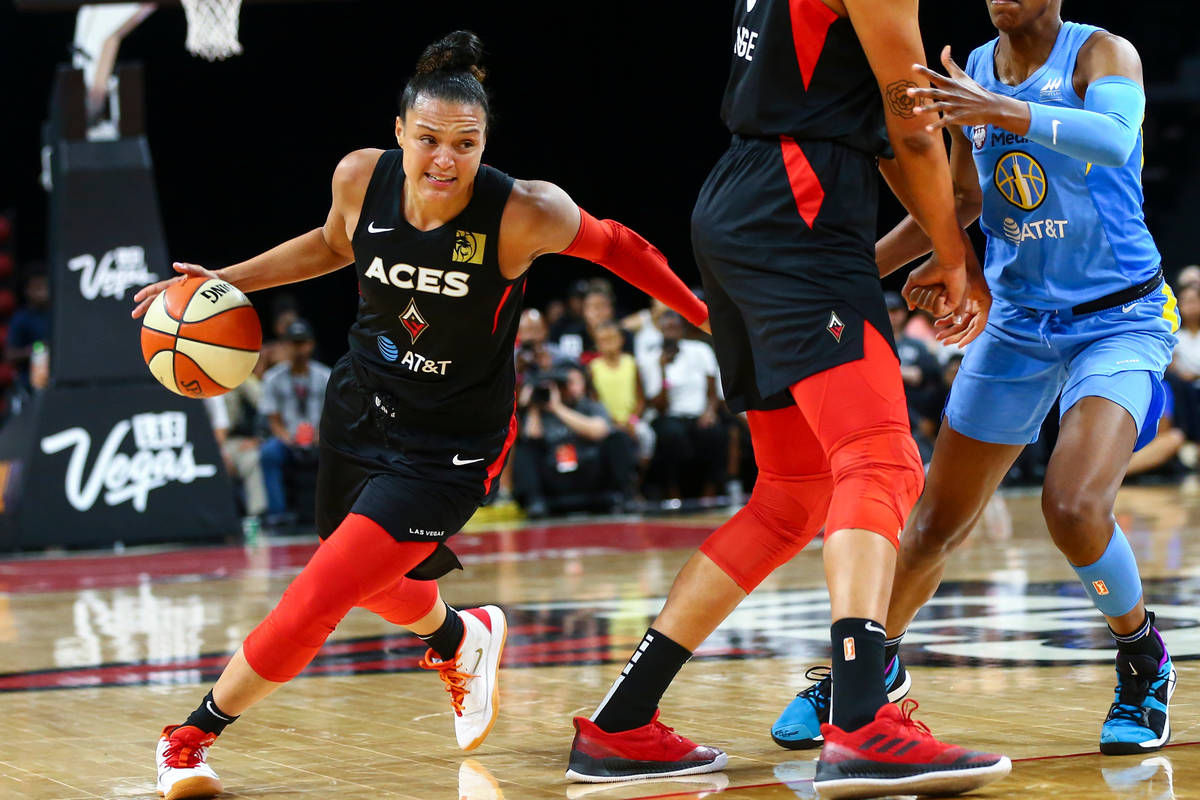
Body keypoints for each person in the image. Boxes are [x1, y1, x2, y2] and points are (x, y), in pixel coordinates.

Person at [131, 31, 709, 800]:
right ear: (399, 132)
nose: (445, 159)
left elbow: (622, 247)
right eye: (429, 139)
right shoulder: (359, 178)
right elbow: (333, 244)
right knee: (364, 580)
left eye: (464, 145)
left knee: (320, 592)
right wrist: (226, 280)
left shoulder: (523, 211)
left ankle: (190, 736)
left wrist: (709, 318)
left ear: (484, 144)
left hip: (451, 444)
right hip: (360, 406)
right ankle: (458, 637)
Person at [567, 0, 1009, 796]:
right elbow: (909, 120)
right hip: (796, 207)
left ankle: (622, 723)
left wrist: (948, 232)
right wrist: (954, 254)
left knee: (792, 494)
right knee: (880, 458)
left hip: (745, 202)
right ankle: (864, 720)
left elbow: (869, 116)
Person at [773, 0, 1179, 761]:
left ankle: (1142, 660)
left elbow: (1118, 141)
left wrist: (1005, 111)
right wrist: (851, 274)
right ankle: (867, 671)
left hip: (1118, 318)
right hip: (1020, 322)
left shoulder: (1101, 55)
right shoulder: (977, 71)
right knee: (930, 527)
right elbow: (963, 199)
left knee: (1073, 505)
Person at [511, 362, 633, 517]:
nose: (568, 388)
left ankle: (625, 496)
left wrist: (558, 409)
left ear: (584, 384)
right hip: (555, 475)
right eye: (562, 383)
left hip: (589, 474)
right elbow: (531, 439)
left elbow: (599, 431)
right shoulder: (541, 411)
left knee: (618, 438)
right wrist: (534, 405)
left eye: (573, 382)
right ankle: (534, 501)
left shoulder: (590, 406)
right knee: (524, 447)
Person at [642, 311, 726, 500]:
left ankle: (709, 494)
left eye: (675, 327)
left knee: (715, 432)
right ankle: (673, 495)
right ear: (660, 331)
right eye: (667, 329)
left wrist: (710, 412)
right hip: (670, 416)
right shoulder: (652, 359)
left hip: (699, 413)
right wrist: (662, 369)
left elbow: (712, 390)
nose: (671, 333)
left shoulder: (700, 350)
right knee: (672, 436)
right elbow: (660, 406)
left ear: (683, 329)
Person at [258, 318, 330, 524]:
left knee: (343, 450)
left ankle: (336, 510)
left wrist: (319, 436)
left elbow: (333, 415)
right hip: (287, 438)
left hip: (320, 436)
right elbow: (273, 419)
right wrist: (288, 438)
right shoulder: (272, 378)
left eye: (302, 343)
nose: (298, 349)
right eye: (293, 343)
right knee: (268, 453)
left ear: (311, 345)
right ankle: (277, 513)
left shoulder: (326, 376)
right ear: (285, 345)